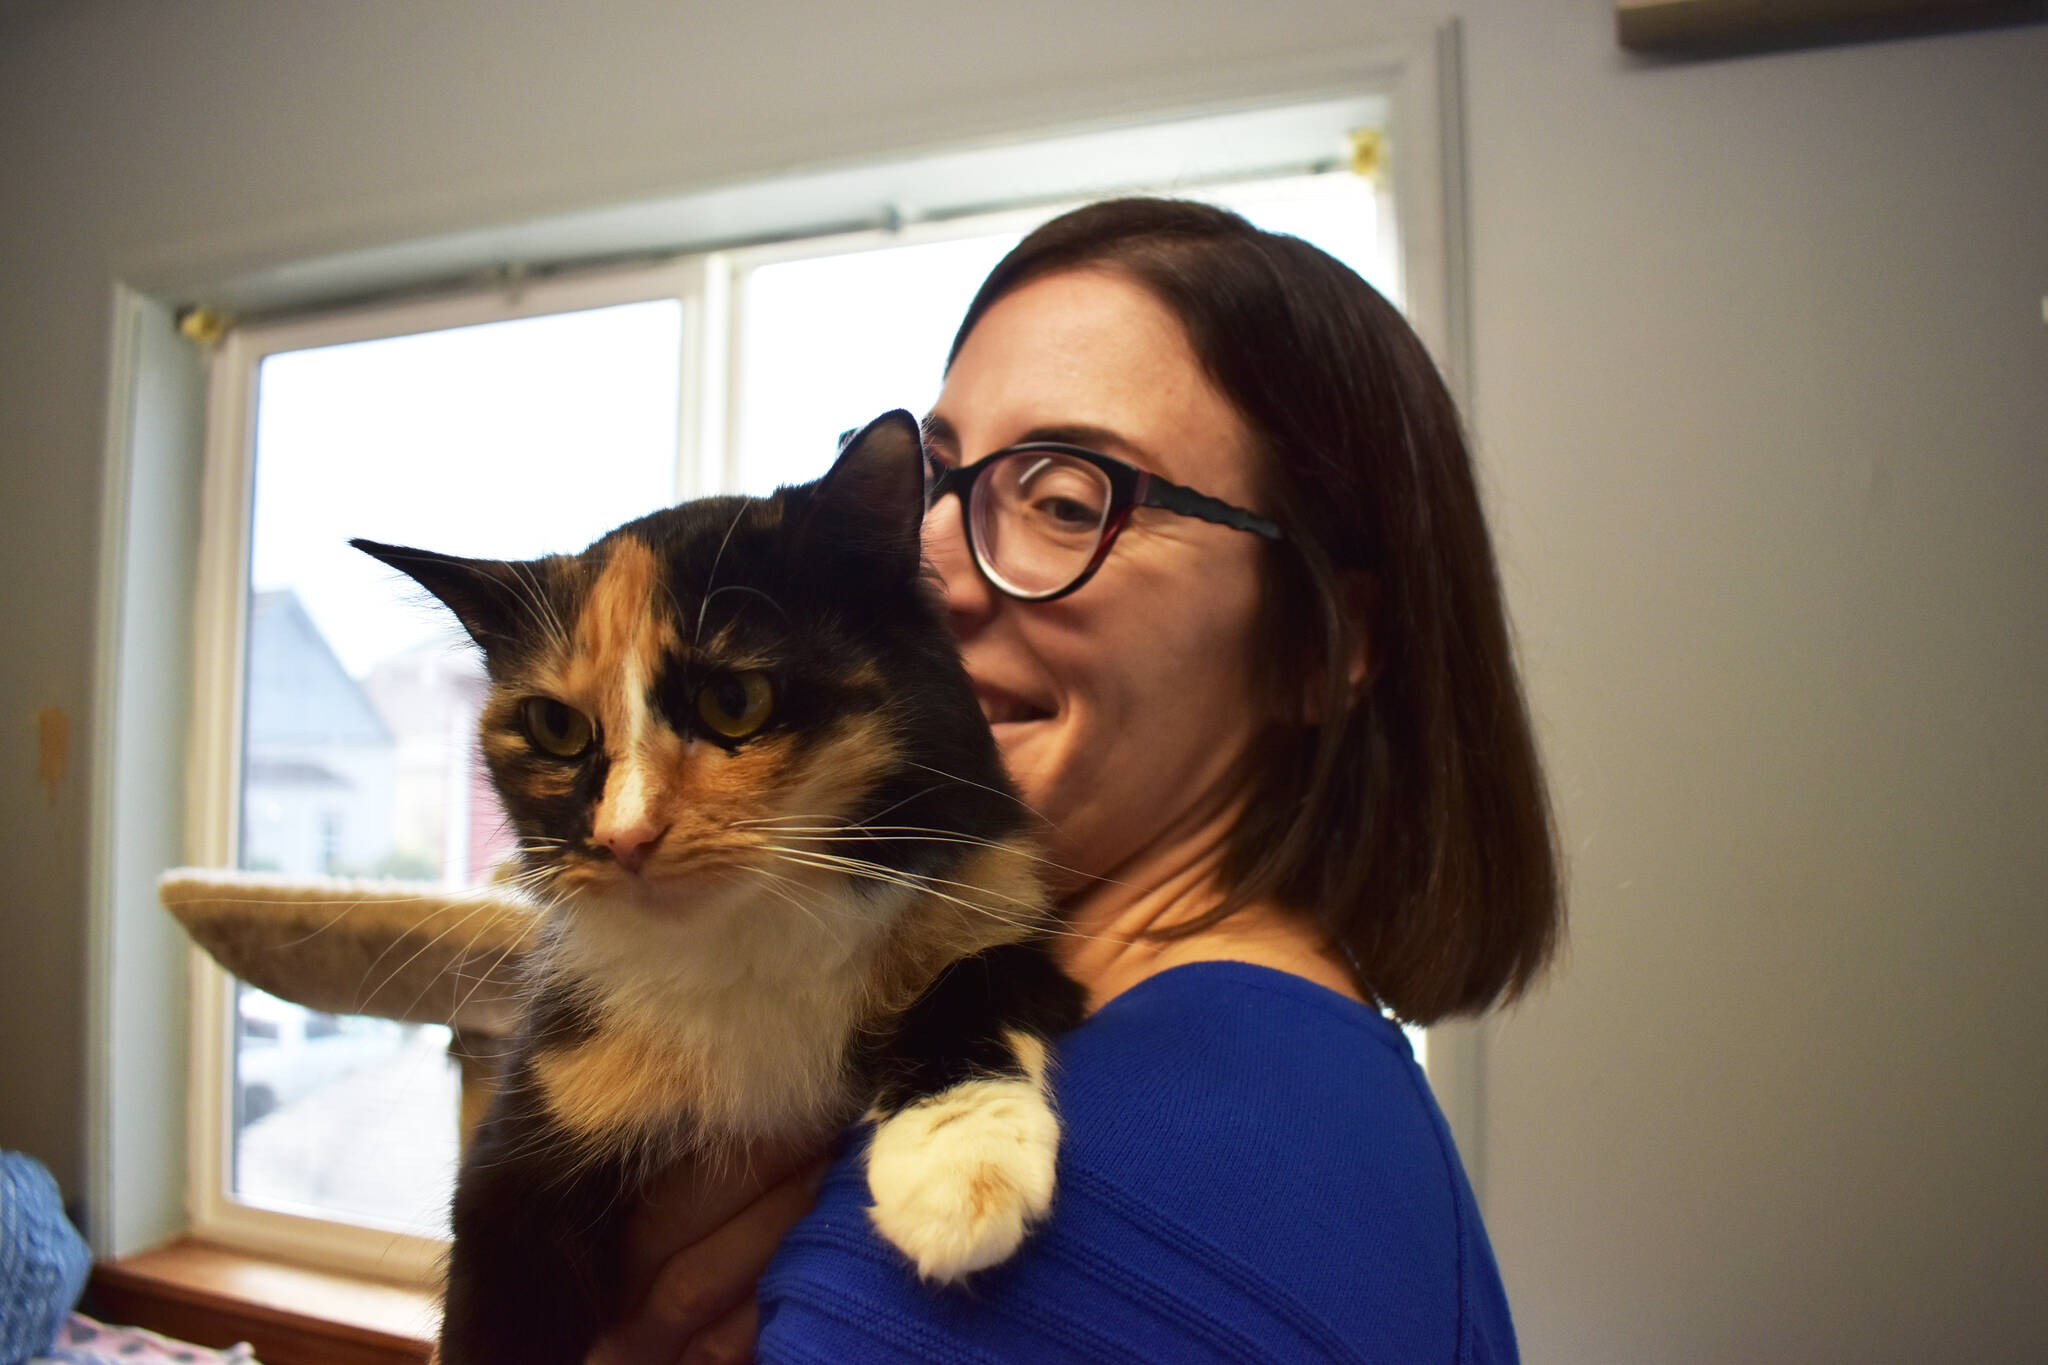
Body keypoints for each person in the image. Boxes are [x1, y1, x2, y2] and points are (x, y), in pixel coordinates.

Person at [587, 197, 1561, 1364]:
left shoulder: (1081, 1202)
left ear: (1322, 646)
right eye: (934, 480)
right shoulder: (1257, 1059)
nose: (928, 563)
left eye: (1064, 500)